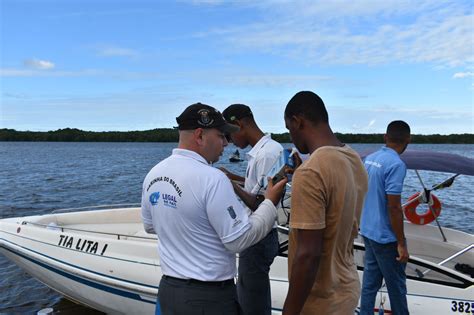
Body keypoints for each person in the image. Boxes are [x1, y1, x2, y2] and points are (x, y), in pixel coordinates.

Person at [141, 102, 287, 315]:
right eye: (221, 136)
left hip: (168, 292)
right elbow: (239, 240)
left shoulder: (153, 174)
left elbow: (150, 226)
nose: (226, 143)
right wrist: (270, 202)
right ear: (200, 136)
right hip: (208, 300)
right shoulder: (213, 178)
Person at [282, 91, 368, 315]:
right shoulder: (352, 158)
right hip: (346, 289)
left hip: (320, 302)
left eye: (289, 128)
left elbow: (308, 255)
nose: (290, 137)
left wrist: (289, 312)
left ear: (298, 121)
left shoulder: (310, 172)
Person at [220, 103, 284, 315]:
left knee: (252, 306)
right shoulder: (264, 150)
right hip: (259, 234)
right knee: (251, 297)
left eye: (229, 136)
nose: (229, 142)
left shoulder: (267, 154)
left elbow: (262, 201)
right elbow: (256, 185)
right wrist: (231, 175)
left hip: (259, 238)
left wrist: (229, 184)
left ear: (239, 125)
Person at [359, 120, 411, 315]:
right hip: (385, 237)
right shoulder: (396, 164)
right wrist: (401, 242)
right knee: (397, 287)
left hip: (368, 231)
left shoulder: (370, 159)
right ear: (408, 140)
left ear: (385, 137)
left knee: (370, 285)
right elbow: (394, 207)